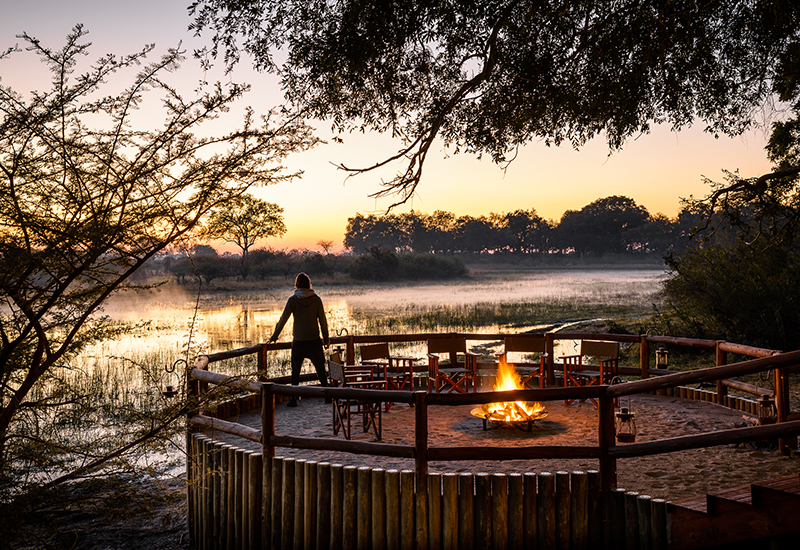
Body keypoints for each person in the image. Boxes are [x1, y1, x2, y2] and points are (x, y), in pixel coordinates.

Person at [268, 272, 330, 407]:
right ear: (309, 284)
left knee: (295, 371)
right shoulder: (316, 299)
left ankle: (293, 399)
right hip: (314, 340)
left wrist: (274, 336)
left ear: (297, 284)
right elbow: (323, 321)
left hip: (299, 341)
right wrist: (326, 339)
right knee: (320, 369)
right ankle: (327, 396)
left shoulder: (293, 300)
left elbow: (283, 319)